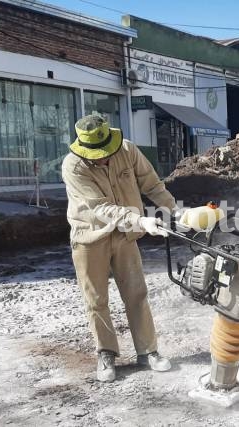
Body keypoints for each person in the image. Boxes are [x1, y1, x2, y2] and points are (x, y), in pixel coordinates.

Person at [61, 114, 176, 382]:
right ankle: (106, 353)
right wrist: (141, 220)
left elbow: (151, 183)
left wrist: (174, 211)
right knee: (97, 299)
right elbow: (99, 208)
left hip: (124, 235)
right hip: (90, 236)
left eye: (106, 154)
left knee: (137, 292)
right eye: (96, 156)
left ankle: (148, 352)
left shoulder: (127, 150)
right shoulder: (73, 166)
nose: (102, 159)